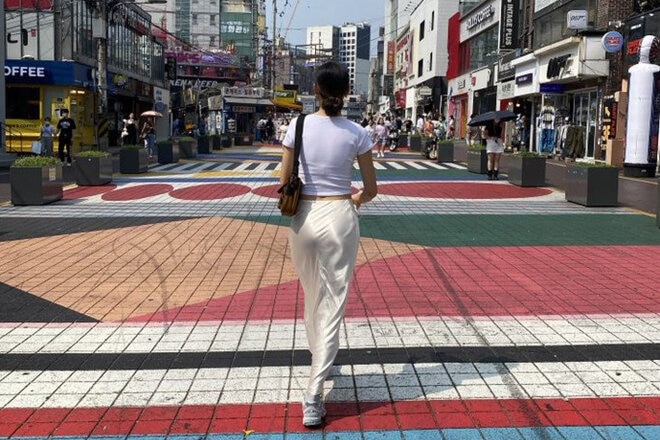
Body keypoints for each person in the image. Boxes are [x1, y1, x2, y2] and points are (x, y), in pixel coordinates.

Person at [279, 61, 377, 428]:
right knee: (334, 303)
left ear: (316, 90)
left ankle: (317, 355)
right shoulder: (357, 132)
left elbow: (286, 177)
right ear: (346, 93)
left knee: (312, 294)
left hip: (302, 218)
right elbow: (371, 189)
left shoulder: (297, 126)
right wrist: (354, 199)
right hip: (339, 216)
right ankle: (313, 393)